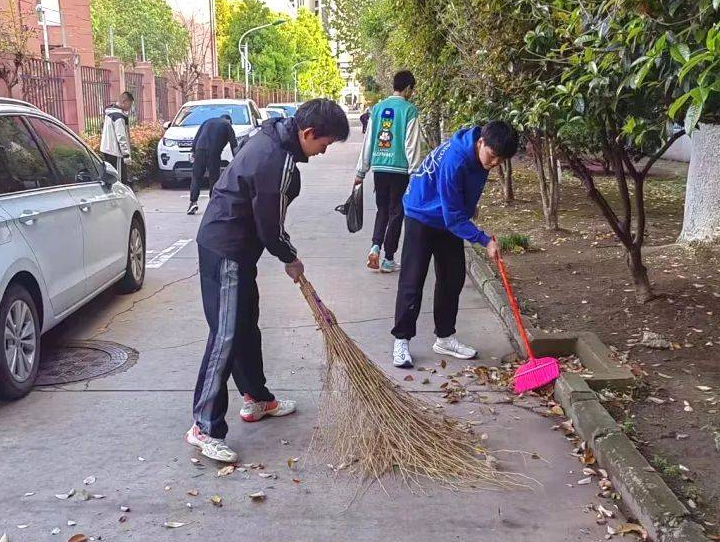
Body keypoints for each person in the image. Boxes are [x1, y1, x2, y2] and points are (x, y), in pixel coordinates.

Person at [187, 98, 350, 463]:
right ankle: (204, 426)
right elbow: (270, 227)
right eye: (323, 145)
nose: (323, 152)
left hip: (238, 248)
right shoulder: (276, 160)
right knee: (226, 335)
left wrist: (282, 252)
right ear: (307, 133)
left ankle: (257, 398)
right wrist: (290, 258)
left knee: (245, 326)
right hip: (226, 248)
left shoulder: (274, 138)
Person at [391, 120, 519, 368]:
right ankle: (402, 340)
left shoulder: (480, 154)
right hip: (422, 214)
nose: (494, 164)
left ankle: (445, 337)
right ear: (481, 142)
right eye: (493, 156)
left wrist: (470, 207)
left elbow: (456, 206)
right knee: (413, 279)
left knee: (453, 278)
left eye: (500, 161)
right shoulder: (456, 160)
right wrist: (483, 240)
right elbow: (452, 217)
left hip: (450, 217)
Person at [354, 70, 422, 274]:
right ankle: (389, 258)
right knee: (396, 213)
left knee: (382, 210)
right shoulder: (410, 110)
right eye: (412, 90)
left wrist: (361, 171)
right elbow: (411, 144)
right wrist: (415, 172)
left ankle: (375, 246)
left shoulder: (377, 108)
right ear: (408, 88)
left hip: (380, 168)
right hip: (400, 170)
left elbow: (368, 142)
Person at [187, 114, 238, 215]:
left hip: (200, 150)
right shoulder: (227, 125)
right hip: (214, 152)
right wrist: (237, 159)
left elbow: (197, 137)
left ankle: (193, 202)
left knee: (196, 176)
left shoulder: (207, 121)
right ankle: (212, 204)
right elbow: (234, 144)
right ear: (229, 121)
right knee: (214, 178)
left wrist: (193, 151)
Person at [100, 91, 134, 184]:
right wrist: (126, 155)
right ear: (124, 101)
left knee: (111, 177)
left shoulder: (110, 112)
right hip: (116, 152)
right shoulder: (119, 117)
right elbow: (121, 137)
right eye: (129, 104)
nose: (129, 108)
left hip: (107, 150)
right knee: (119, 180)